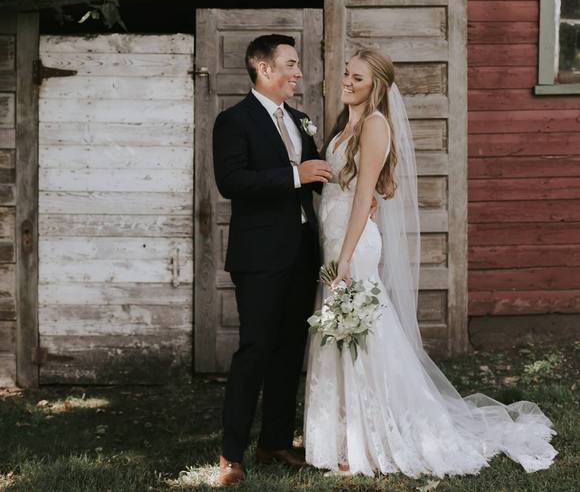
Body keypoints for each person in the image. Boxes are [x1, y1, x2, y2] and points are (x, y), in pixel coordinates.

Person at [304, 49, 557, 477]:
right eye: (347, 73)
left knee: (361, 335)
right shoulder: (345, 124)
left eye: (358, 78)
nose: (347, 81)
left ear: (376, 86)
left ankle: (371, 438)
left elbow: (364, 196)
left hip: (353, 247)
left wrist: (344, 260)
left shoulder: (375, 125)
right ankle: (341, 432)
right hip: (334, 241)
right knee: (341, 333)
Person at [212, 34, 331, 486]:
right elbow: (232, 181)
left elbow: (317, 177)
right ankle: (231, 455)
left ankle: (275, 442)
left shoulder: (300, 120)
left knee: (289, 351)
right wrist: (294, 175)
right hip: (259, 256)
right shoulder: (234, 121)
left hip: (302, 253)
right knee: (256, 349)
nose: (298, 72)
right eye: (291, 64)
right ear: (264, 68)